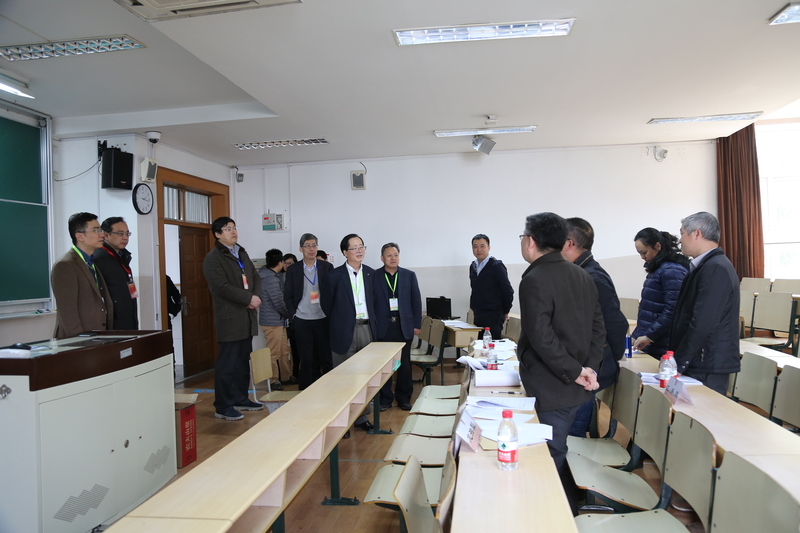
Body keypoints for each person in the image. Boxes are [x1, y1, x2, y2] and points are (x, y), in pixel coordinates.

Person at [517, 212, 605, 514]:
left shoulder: (534, 278)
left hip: (552, 388)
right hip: (575, 388)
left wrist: (577, 371)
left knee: (548, 461)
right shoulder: (581, 274)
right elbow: (599, 329)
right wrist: (588, 369)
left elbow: (542, 338)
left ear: (531, 242)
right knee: (555, 454)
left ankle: (553, 518)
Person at [561, 217, 628, 438]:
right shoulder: (579, 271)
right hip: (583, 363)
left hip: (590, 365)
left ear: (569, 243)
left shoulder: (592, 276)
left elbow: (616, 323)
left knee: (573, 433)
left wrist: (610, 358)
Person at [670, 212, 740, 395]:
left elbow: (702, 322)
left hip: (707, 363)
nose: (680, 240)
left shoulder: (715, 268)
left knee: (703, 412)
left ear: (697, 234)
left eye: (682, 233)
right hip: (699, 360)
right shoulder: (704, 266)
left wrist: (680, 362)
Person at [203, 217, 263, 421]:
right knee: (227, 364)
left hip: (247, 317)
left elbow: (255, 277)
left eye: (234, 227)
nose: (233, 231)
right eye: (227, 229)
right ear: (217, 234)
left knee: (242, 363)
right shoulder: (213, 258)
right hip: (230, 318)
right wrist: (248, 298)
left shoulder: (241, 252)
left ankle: (240, 398)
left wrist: (256, 297)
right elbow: (221, 287)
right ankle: (223, 405)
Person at [322, 233, 377, 432]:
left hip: (367, 329)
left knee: (365, 377)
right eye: (354, 247)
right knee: (344, 378)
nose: (359, 250)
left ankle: (361, 417)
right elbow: (326, 305)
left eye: (361, 246)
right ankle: (341, 422)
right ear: (345, 252)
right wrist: (342, 321)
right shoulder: (333, 276)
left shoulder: (371, 274)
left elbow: (376, 303)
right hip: (344, 330)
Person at [374, 243, 422, 411]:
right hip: (383, 327)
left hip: (404, 326)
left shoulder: (409, 275)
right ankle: (385, 398)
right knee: (384, 365)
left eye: (395, 255)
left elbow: (416, 301)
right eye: (389, 255)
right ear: (382, 258)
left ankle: (404, 398)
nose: (393, 258)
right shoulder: (374, 276)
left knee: (404, 364)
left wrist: (417, 324)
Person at [51, 212, 114, 339]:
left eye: (101, 230)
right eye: (96, 230)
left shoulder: (90, 261)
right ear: (80, 236)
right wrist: (80, 342)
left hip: (97, 336)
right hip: (79, 340)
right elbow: (68, 313)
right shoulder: (65, 265)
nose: (102, 234)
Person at [284, 233, 334, 390]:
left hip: (322, 318)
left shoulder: (326, 267)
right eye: (308, 246)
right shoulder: (293, 269)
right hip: (302, 320)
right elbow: (288, 295)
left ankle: (329, 390)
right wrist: (293, 316)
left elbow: (332, 293)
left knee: (326, 358)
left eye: (314, 245)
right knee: (306, 359)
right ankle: (305, 392)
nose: (311, 249)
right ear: (301, 249)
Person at [631, 228, 690, 359]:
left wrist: (650, 336)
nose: (642, 257)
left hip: (664, 343)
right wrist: (636, 335)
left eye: (644, 252)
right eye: (640, 253)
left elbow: (673, 310)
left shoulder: (672, 270)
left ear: (658, 246)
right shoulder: (657, 269)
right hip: (653, 341)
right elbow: (648, 310)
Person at [93, 217, 138, 330]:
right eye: (120, 233)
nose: (125, 237)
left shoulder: (123, 257)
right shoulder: (99, 259)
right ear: (106, 235)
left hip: (128, 319)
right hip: (113, 323)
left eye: (127, 234)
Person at [258, 248, 294, 390]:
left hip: (278, 321)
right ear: (280, 263)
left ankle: (286, 376)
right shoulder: (270, 279)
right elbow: (278, 302)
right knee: (273, 353)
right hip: (272, 321)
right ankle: (272, 380)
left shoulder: (269, 275)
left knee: (284, 350)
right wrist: (289, 314)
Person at [469, 234, 514, 340]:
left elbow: (507, 290)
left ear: (489, 248)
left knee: (491, 346)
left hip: (493, 315)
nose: (479, 249)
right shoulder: (473, 266)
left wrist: (505, 311)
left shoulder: (496, 266)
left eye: (482, 246)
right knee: (479, 346)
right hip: (478, 314)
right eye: (475, 246)